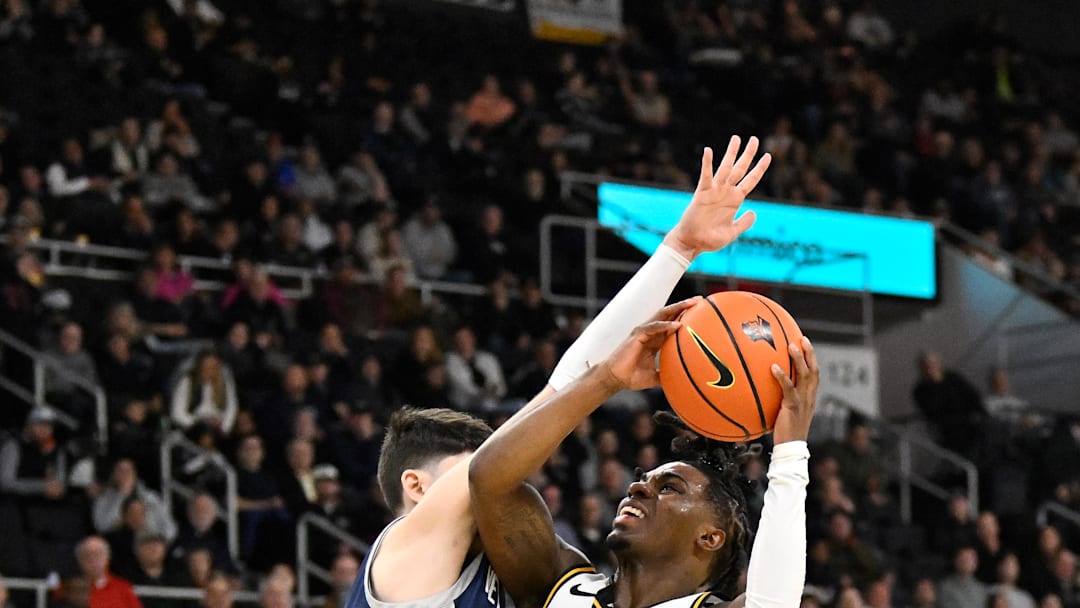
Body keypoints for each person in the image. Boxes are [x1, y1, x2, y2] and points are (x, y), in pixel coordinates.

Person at [344, 137, 771, 608]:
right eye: (469, 460)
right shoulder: (404, 557)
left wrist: (679, 250)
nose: (513, 462)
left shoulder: (508, 570)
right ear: (418, 485)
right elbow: (501, 458)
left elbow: (559, 390)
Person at [75, 536, 142, 608]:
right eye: (87, 555)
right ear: (80, 560)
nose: (93, 560)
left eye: (98, 554)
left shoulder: (123, 589)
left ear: (107, 558)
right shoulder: (71, 590)